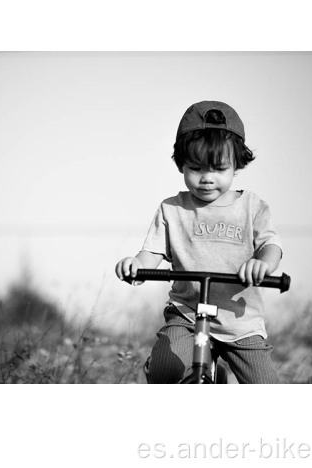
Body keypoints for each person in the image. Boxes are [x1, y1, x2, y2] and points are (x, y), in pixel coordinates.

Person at [115, 101, 283, 384]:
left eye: (218, 168)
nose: (206, 178)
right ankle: (162, 367)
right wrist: (136, 265)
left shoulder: (253, 207)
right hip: (187, 315)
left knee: (266, 387)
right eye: (195, 168)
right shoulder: (173, 209)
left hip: (240, 323)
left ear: (237, 164)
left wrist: (262, 264)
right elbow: (151, 252)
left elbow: (271, 246)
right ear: (181, 163)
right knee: (164, 372)